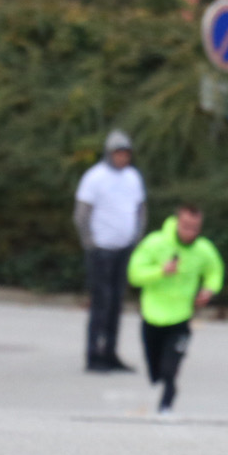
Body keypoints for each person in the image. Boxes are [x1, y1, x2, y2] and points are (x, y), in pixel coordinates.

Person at [127, 204, 223, 414]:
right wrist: (160, 271)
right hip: (152, 315)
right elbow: (134, 274)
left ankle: (167, 404)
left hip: (181, 317)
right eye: (186, 226)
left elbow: (215, 271)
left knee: (170, 368)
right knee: (155, 370)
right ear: (177, 222)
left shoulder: (203, 249)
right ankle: (160, 384)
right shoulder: (155, 243)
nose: (190, 233)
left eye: (195, 228)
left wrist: (208, 290)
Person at [74, 130, 146, 372]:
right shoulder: (95, 177)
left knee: (116, 303)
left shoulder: (133, 177)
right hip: (101, 250)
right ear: (109, 154)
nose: (122, 158)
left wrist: (136, 238)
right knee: (100, 303)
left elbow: (139, 209)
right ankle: (94, 353)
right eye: (118, 153)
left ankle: (111, 352)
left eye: (126, 154)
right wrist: (90, 243)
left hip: (123, 249)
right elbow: (82, 214)